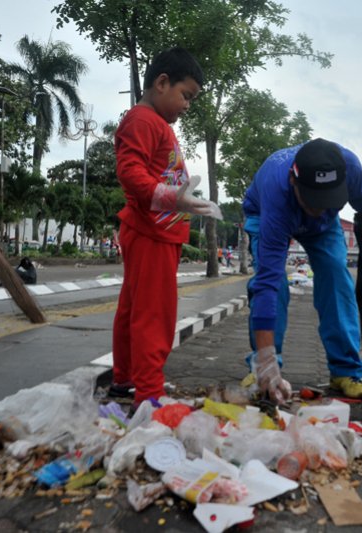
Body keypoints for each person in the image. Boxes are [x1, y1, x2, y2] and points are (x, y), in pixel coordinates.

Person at [109, 47, 221, 411]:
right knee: (154, 314)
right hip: (151, 232)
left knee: (133, 309)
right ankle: (150, 394)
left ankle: (126, 377)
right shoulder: (142, 120)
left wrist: (183, 201)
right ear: (161, 83)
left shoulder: (154, 123)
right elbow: (130, 173)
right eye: (185, 95)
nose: (187, 105)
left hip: (153, 232)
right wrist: (177, 199)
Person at [242, 138, 362, 403]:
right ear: (293, 180)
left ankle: (346, 372)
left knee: (336, 277)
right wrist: (265, 358)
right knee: (277, 288)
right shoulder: (277, 192)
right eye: (313, 200)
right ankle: (264, 366)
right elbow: (267, 283)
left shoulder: (349, 165)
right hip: (266, 214)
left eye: (328, 200)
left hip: (324, 229)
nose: (318, 208)